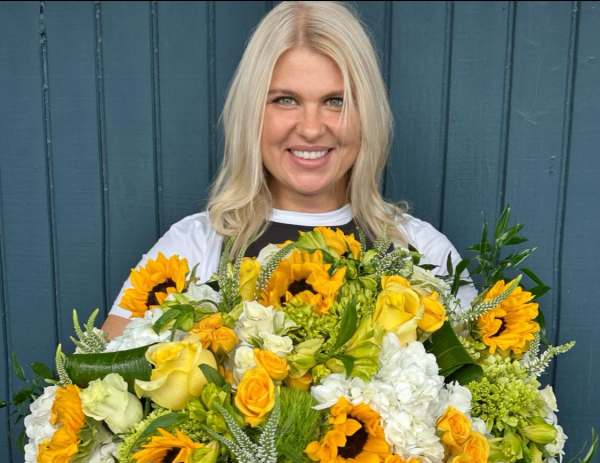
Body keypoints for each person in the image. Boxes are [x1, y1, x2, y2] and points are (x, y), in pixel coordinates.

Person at [101, 0, 476, 340]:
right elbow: (100, 375)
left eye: (336, 101)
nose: (311, 129)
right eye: (285, 100)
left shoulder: (422, 249)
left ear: (367, 115)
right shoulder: (193, 246)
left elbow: (476, 379)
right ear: (252, 113)